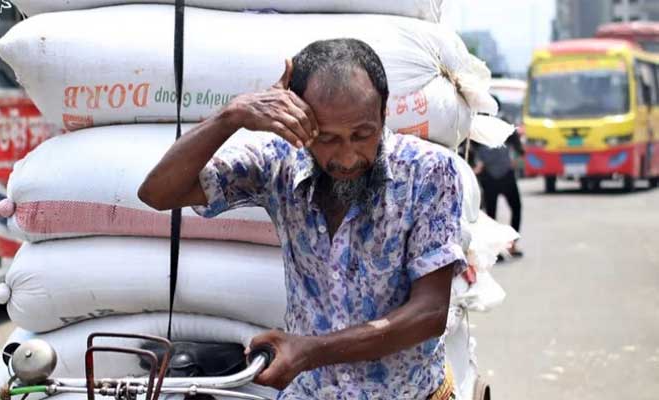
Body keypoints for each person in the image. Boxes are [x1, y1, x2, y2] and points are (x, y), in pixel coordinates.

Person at [139, 39, 465, 399]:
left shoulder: (429, 172)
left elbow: (430, 312)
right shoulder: (277, 164)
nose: (347, 157)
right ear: (299, 121)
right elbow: (158, 193)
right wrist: (232, 116)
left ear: (384, 111)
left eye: (362, 134)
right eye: (326, 138)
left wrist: (310, 350)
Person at [473, 105, 524, 258]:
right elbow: (468, 149)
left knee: (515, 207)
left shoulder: (501, 122)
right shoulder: (475, 125)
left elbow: (516, 141)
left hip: (504, 174)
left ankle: (512, 245)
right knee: (491, 215)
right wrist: (476, 165)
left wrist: (518, 156)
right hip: (489, 176)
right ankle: (495, 250)